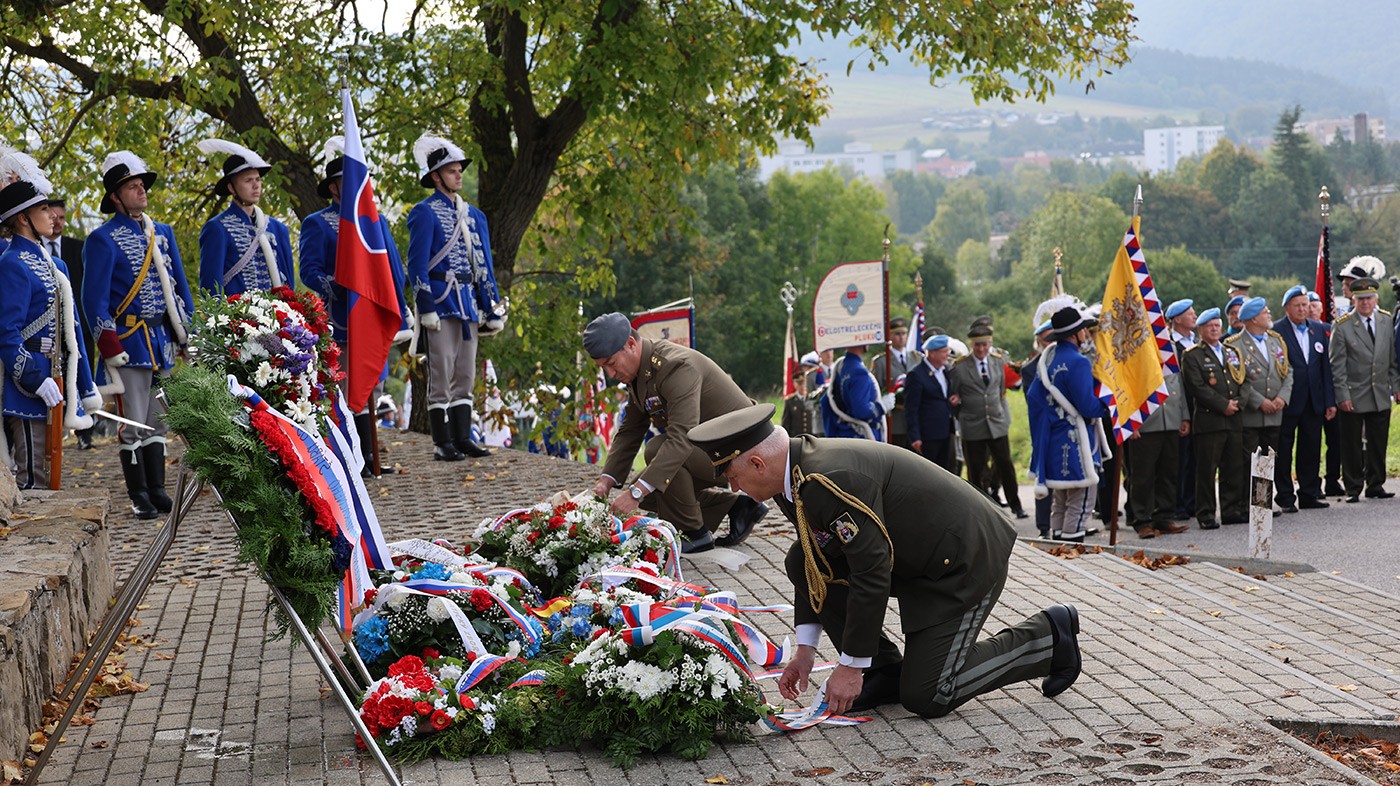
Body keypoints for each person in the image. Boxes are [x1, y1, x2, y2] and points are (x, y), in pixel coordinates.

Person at [688, 403, 1083, 717]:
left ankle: (1049, 638)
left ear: (758, 463)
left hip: (963, 559)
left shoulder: (824, 479)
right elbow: (813, 558)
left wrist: (849, 667)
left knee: (930, 695)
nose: (734, 488)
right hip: (919, 558)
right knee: (797, 558)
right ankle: (883, 672)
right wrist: (805, 651)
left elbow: (871, 571)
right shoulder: (790, 474)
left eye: (733, 477)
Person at [583, 312, 767, 553]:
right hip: (713, 450)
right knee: (649, 493)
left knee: (656, 454)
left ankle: (695, 533)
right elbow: (630, 430)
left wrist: (635, 494)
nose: (610, 374)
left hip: (743, 452)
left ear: (630, 344)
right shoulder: (641, 372)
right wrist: (605, 482)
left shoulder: (674, 366)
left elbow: (681, 435)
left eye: (611, 363)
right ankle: (736, 506)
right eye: (603, 367)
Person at [83, 151, 195, 518]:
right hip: (129, 341)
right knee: (132, 420)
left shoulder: (162, 233)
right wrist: (109, 345)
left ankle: (159, 490)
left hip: (161, 338)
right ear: (115, 196)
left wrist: (185, 334)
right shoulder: (102, 238)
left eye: (142, 184)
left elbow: (179, 286)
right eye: (132, 186)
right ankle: (139, 494)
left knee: (158, 419)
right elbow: (93, 300)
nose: (141, 190)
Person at [299, 136, 412, 473]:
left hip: (371, 316)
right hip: (341, 318)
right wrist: (342, 286)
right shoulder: (317, 223)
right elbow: (309, 272)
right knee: (347, 390)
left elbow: (393, 268)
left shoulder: (375, 221)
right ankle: (352, 459)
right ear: (333, 187)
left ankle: (371, 457)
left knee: (372, 386)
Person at [0, 159, 102, 490]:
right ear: (22, 218)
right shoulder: (11, 264)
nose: (52, 215)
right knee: (34, 478)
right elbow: (7, 334)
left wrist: (85, 389)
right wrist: (34, 378)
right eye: (43, 209)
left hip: (58, 381)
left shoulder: (55, 264)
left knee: (53, 475)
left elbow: (70, 334)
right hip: (28, 389)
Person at [407, 134, 504, 461]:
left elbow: (485, 265)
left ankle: (463, 438)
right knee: (442, 374)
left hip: (468, 303)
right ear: (436, 177)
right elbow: (417, 264)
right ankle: (442, 442)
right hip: (442, 302)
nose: (459, 174)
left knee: (465, 373)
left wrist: (492, 306)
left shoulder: (476, 216)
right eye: (451, 170)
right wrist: (426, 307)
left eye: (459, 169)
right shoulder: (424, 212)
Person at [1026, 306, 1108, 542]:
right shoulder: (1078, 361)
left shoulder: (1048, 358)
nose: (1087, 334)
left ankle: (1057, 548)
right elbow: (1087, 405)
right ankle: (1072, 550)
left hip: (1053, 437)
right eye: (1084, 330)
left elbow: (1035, 397)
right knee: (1080, 500)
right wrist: (1110, 406)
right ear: (1076, 333)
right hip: (1075, 439)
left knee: (1060, 501)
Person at [196, 139, 295, 296]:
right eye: (248, 180)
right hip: (238, 317)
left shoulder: (278, 229)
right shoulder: (217, 228)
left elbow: (290, 284)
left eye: (257, 180)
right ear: (231, 188)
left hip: (278, 317)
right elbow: (210, 288)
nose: (256, 185)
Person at [1331, 277, 1400, 502]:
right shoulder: (1342, 326)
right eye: (1360, 299)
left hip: (1379, 391)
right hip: (1354, 393)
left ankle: (1375, 484)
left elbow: (1391, 360)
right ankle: (1353, 486)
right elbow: (1337, 366)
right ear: (1353, 300)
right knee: (1351, 442)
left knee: (1378, 441)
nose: (1365, 303)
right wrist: (1342, 396)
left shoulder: (1385, 321)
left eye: (1369, 298)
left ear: (1376, 299)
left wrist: (1396, 387)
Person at [949, 324, 1025, 519]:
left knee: (1005, 465)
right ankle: (980, 509)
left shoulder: (997, 362)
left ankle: (1016, 505)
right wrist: (961, 410)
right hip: (972, 425)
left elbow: (999, 391)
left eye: (984, 345)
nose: (981, 349)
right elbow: (953, 396)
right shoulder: (960, 366)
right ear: (971, 345)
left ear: (990, 344)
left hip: (997, 424)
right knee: (975, 468)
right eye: (977, 345)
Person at [1126, 317, 1192, 539]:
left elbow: (1177, 383)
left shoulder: (1168, 346)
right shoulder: (1132, 348)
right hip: (1146, 422)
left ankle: (1163, 517)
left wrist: (1183, 416)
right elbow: (1126, 386)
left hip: (1170, 418)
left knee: (1168, 471)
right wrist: (1130, 421)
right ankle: (1142, 520)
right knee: (1143, 475)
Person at [1182, 308, 1247, 529]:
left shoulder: (1231, 351)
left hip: (1234, 418)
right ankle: (1206, 513)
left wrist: (1239, 403)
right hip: (1210, 421)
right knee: (1207, 470)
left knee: (1233, 467)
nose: (1214, 329)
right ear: (1200, 329)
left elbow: (1242, 380)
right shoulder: (1192, 355)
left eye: (1217, 325)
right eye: (1209, 326)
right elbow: (1197, 387)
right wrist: (1223, 405)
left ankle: (1230, 510)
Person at [1274, 285, 1336, 513]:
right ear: (1287, 308)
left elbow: (1325, 369)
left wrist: (1330, 401)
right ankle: (1286, 496)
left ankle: (1309, 494)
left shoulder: (1318, 330)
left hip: (1314, 400)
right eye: (1297, 305)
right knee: (1284, 449)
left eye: (1305, 305)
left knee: (1310, 449)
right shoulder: (1277, 331)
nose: (1302, 309)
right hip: (1288, 401)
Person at [44, 196, 98, 450]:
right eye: (53, 217)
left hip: (79, 326)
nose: (57, 223)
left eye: (62, 218)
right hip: (47, 328)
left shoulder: (79, 247)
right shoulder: (34, 249)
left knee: (83, 374)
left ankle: (85, 431)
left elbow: (89, 287)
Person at [1225, 298, 1292, 475]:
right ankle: (1245, 503)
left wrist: (1282, 397)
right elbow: (1237, 379)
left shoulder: (1276, 341)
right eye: (1264, 312)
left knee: (1265, 465)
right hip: (1251, 416)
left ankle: (1261, 503)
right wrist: (1260, 401)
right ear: (1254, 319)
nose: (1268, 314)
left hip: (1274, 414)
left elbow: (1287, 371)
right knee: (1248, 464)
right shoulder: (1234, 345)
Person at [1020, 320, 1057, 538]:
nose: (1051, 342)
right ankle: (1044, 526)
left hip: (1064, 427)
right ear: (1039, 341)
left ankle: (1063, 524)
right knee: (1042, 475)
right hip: (1042, 428)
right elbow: (1033, 401)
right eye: (1047, 339)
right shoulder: (1029, 369)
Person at [1164, 299, 1198, 521]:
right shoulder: (1170, 346)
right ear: (1177, 319)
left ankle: (1191, 502)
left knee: (1194, 458)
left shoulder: (1197, 342)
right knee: (1179, 459)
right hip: (1180, 408)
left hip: (1200, 409)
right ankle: (1177, 504)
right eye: (1190, 314)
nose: (1194, 317)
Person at [903, 334, 957, 473]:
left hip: (945, 430)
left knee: (945, 472)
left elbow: (944, 395)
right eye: (944, 352)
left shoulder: (944, 371)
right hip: (928, 435)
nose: (948, 355)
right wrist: (915, 436)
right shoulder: (917, 375)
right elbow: (911, 408)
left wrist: (952, 399)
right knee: (928, 474)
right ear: (932, 353)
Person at [820, 342, 894, 441]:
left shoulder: (843, 366)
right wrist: (882, 406)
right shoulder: (859, 371)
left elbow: (825, 401)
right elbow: (861, 411)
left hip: (846, 435)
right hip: (863, 438)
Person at [870, 317, 916, 449]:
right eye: (897, 334)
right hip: (894, 420)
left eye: (903, 334)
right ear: (889, 335)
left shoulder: (916, 357)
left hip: (914, 420)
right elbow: (876, 391)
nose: (901, 337)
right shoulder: (881, 362)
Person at [781, 371, 813, 437]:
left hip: (812, 438)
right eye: (799, 384)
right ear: (794, 384)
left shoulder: (812, 399)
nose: (802, 386)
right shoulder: (790, 401)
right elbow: (786, 424)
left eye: (804, 383)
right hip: (796, 438)